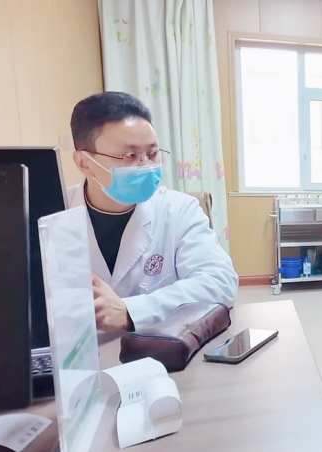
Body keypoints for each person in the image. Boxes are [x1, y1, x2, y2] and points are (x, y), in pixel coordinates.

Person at [68, 91, 238, 332]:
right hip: (77, 349)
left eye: (152, 153)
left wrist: (132, 311)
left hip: (157, 346)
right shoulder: (51, 213)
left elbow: (220, 281)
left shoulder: (179, 210)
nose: (146, 165)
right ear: (85, 163)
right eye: (130, 155)